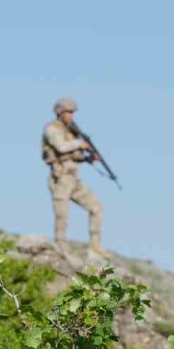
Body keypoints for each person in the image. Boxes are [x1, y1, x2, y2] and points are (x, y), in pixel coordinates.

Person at [41, 97, 112, 259]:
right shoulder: (52, 130)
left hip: (74, 179)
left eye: (73, 113)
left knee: (96, 207)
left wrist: (88, 158)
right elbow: (61, 147)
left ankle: (95, 245)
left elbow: (73, 155)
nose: (71, 116)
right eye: (69, 112)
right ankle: (61, 248)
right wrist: (80, 144)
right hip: (60, 178)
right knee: (62, 216)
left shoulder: (71, 132)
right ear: (60, 112)